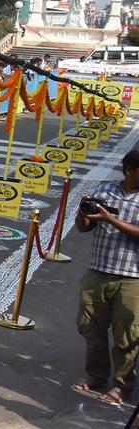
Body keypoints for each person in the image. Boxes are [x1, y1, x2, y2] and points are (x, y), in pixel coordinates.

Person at [73, 149, 139, 406]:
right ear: (131, 171)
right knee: (91, 328)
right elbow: (84, 228)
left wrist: (110, 218)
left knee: (128, 335)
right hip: (98, 269)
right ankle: (97, 375)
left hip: (133, 277)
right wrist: (84, 215)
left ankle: (123, 386)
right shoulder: (105, 191)